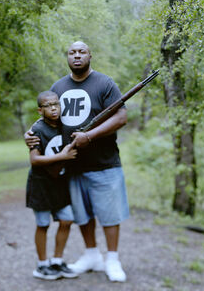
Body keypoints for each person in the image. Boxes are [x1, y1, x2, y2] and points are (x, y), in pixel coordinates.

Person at [25, 41, 129, 282]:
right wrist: (29, 133)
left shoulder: (105, 83)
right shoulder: (59, 86)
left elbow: (121, 116)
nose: (77, 56)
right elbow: (46, 119)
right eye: (72, 52)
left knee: (110, 214)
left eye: (82, 51)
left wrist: (90, 135)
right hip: (71, 166)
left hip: (105, 162)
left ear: (90, 55)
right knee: (83, 214)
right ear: (67, 57)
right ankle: (92, 254)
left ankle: (112, 259)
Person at [26, 90, 79, 280]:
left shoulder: (65, 125)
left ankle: (57, 261)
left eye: (56, 104)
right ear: (40, 110)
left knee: (66, 220)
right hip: (41, 184)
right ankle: (42, 265)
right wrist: (62, 157)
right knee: (43, 224)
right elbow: (34, 160)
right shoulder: (38, 130)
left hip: (60, 183)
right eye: (48, 106)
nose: (54, 108)